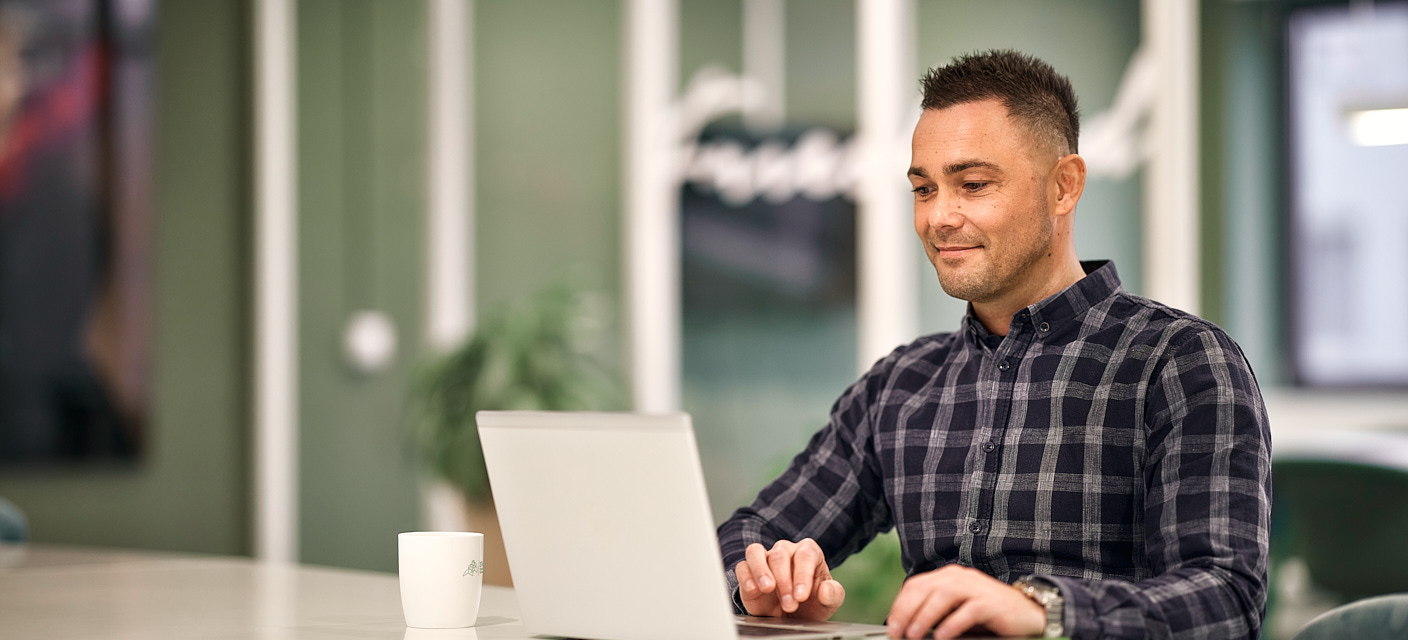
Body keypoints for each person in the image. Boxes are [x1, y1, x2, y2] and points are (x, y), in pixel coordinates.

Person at [716, 50, 1271, 640]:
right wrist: (766, 578)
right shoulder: (901, 384)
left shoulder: (1180, 364)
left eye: (973, 185)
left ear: (1063, 186)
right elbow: (749, 532)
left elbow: (1225, 599)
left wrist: (1042, 612)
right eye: (923, 189)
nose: (939, 217)